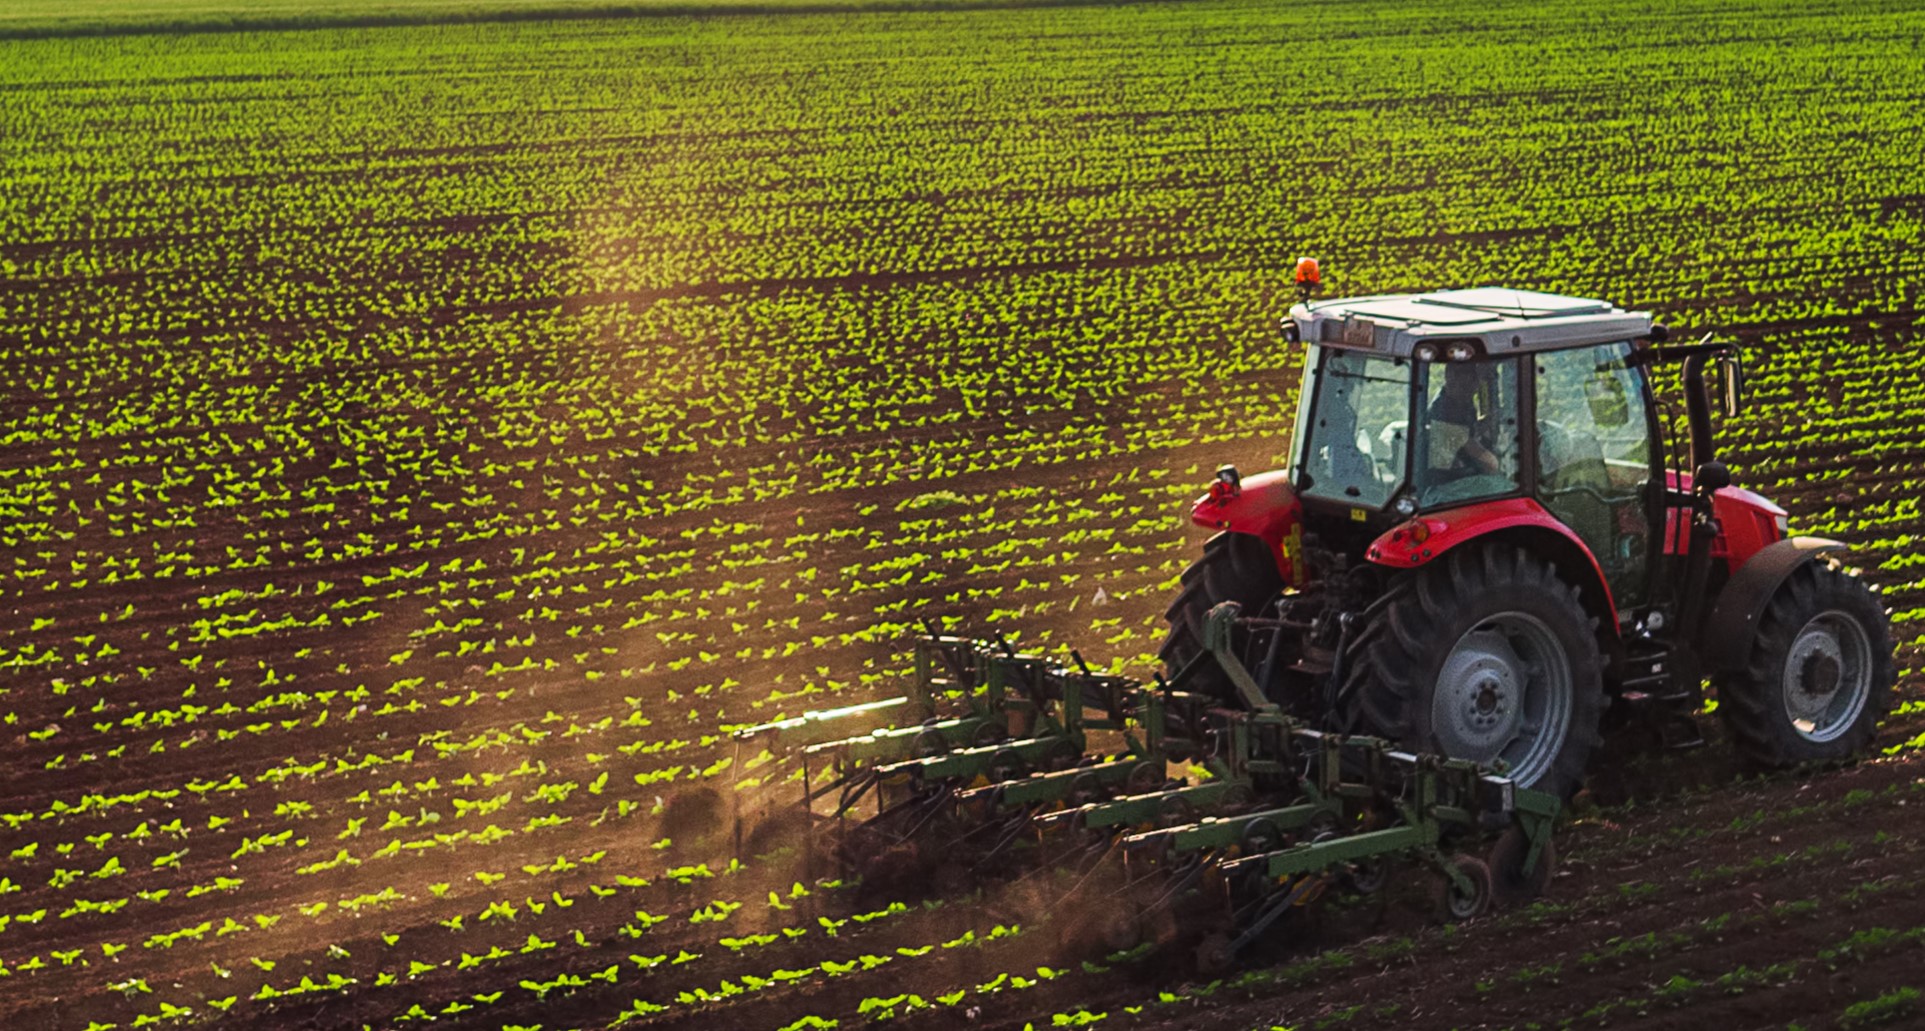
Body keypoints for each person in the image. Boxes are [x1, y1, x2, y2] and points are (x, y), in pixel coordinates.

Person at [1428, 361, 1503, 476]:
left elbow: (1468, 434)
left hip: (1463, 471)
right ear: (1450, 377)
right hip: (1447, 481)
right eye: (1466, 382)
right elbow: (1486, 459)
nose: (1473, 388)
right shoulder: (1444, 411)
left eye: (1475, 380)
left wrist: (1484, 424)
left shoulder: (1464, 405)